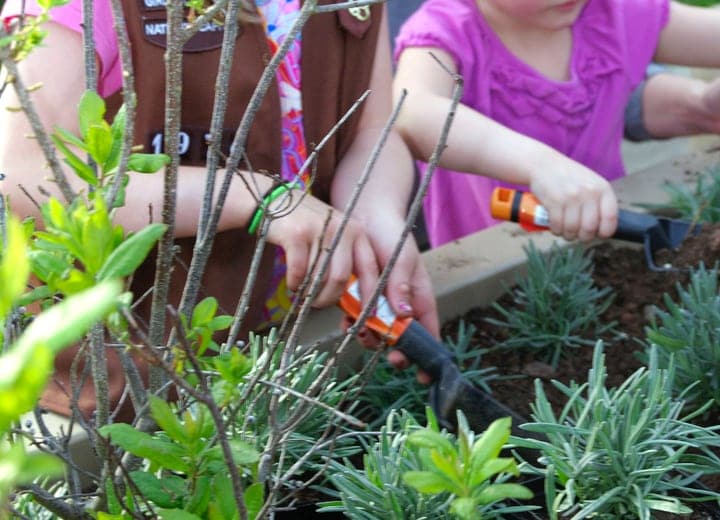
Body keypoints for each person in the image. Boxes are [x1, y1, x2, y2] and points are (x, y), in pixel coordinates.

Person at [0, 0, 438, 420]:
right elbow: (24, 177)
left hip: (302, 346)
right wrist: (253, 197)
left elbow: (372, 129)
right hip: (144, 395)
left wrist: (376, 214)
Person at [392, 0, 720, 249]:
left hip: (606, 242)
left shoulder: (614, 13)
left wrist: (708, 102)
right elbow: (413, 110)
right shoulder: (447, 34)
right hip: (495, 273)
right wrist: (540, 165)